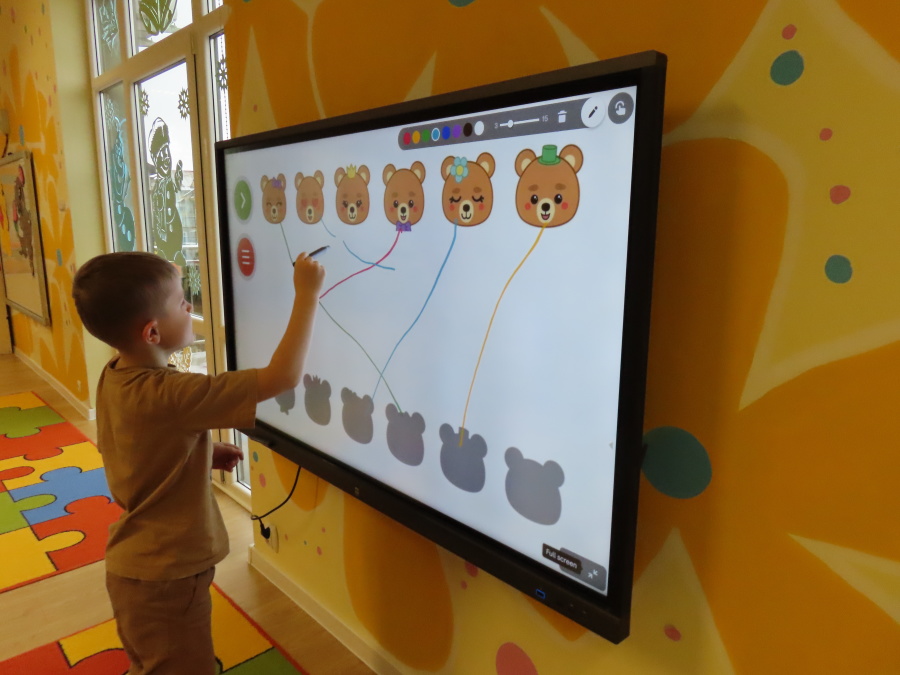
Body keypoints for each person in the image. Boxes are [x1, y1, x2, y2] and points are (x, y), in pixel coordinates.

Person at [72, 250, 325, 674]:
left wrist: (198, 455)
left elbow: (136, 446)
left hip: (138, 570)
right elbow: (282, 376)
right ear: (152, 332)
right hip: (168, 578)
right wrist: (307, 294)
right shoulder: (172, 394)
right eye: (181, 302)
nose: (190, 306)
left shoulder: (115, 372)